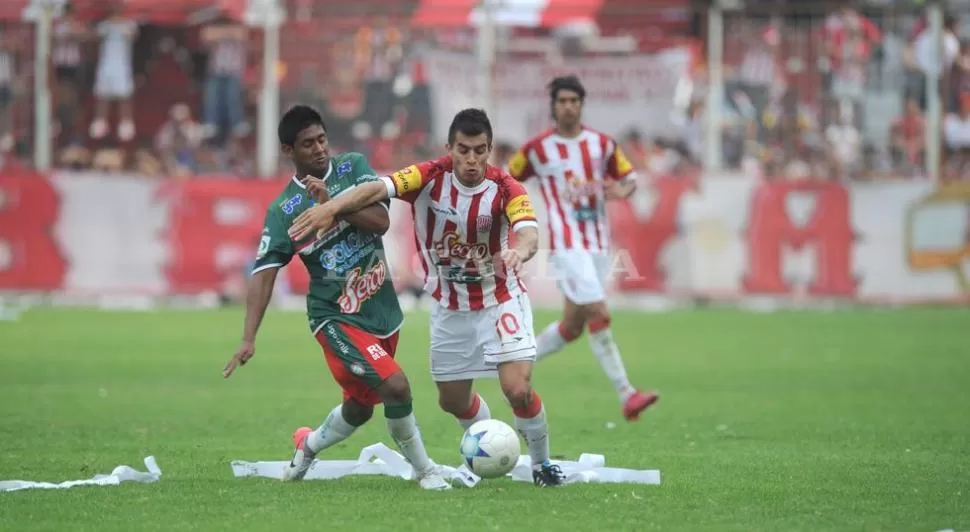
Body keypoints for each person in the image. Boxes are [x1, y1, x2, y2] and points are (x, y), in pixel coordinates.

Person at [289, 108, 568, 487]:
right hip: (449, 306)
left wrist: (521, 250)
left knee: (517, 389)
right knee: (452, 401)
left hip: (499, 299)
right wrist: (333, 207)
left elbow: (529, 231)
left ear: (489, 150)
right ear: (449, 148)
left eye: (480, 151)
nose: (472, 160)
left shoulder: (506, 188)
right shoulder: (428, 176)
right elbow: (377, 188)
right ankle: (488, 444)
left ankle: (541, 464)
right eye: (464, 150)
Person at [222, 105, 450, 491]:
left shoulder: (352, 168)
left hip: (380, 308)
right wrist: (248, 338)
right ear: (288, 150)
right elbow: (264, 274)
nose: (319, 149)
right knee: (396, 387)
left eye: (322, 139)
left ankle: (306, 447)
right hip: (336, 318)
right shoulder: (284, 210)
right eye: (308, 144)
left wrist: (333, 205)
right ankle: (425, 471)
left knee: (360, 408)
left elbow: (380, 222)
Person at [506, 75, 659, 422]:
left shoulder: (601, 144)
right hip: (564, 246)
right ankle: (627, 393)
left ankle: (516, 358)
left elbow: (629, 177)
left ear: (581, 104)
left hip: (596, 246)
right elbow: (507, 179)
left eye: (574, 100)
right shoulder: (537, 149)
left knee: (573, 325)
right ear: (553, 106)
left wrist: (624, 191)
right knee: (599, 312)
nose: (569, 106)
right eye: (563, 101)